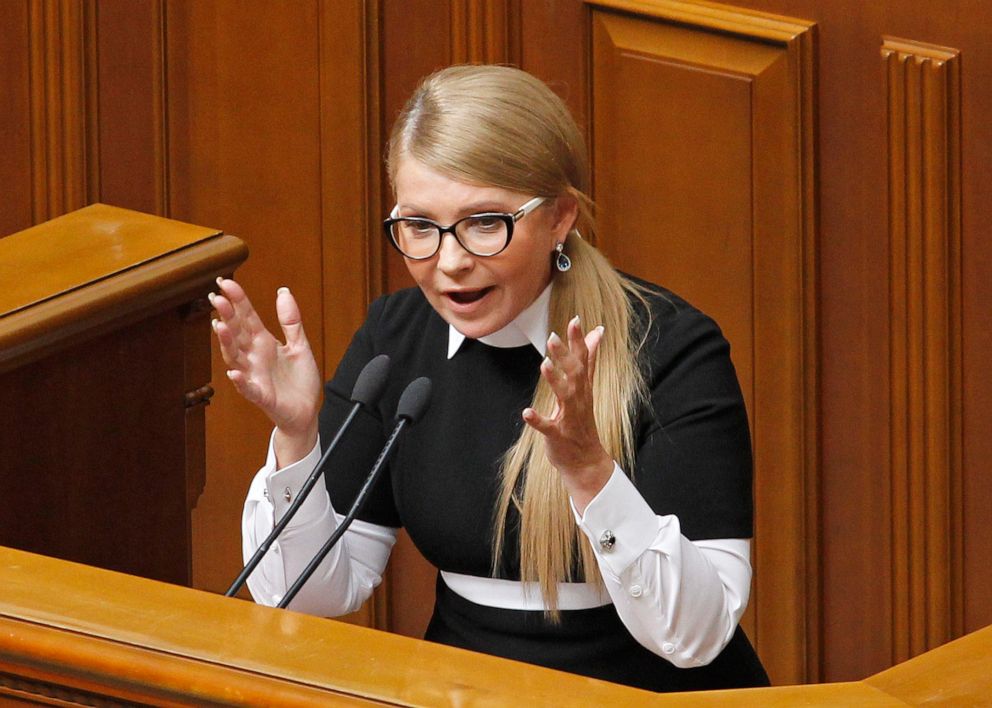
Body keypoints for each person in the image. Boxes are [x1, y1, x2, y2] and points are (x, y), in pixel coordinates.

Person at [210, 64, 769, 692]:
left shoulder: (669, 348)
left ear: (559, 217)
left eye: (484, 223)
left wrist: (591, 473)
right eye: (420, 227)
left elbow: (696, 637)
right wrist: (296, 437)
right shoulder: (396, 341)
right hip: (460, 687)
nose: (450, 263)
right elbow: (307, 597)